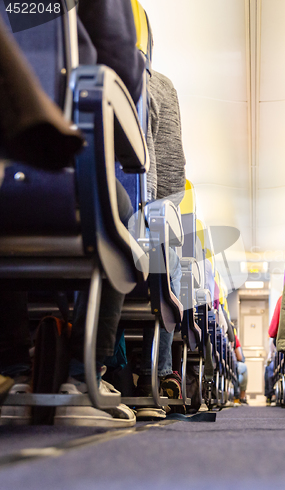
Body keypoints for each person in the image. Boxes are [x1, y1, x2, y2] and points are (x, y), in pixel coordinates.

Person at [0, 0, 145, 426]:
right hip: (51, 164)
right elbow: (118, 66)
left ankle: (11, 369)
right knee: (118, 205)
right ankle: (83, 379)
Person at [133, 69, 186, 419]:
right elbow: (170, 173)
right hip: (125, 218)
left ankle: (18, 365)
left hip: (20, 203)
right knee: (169, 248)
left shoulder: (23, 51)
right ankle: (156, 374)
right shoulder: (157, 83)